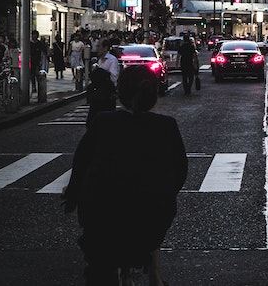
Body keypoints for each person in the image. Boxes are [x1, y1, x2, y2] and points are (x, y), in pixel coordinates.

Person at [62, 65, 188, 285]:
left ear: (120, 92)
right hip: (153, 215)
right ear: (151, 95)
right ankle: (153, 272)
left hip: (103, 215)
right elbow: (180, 170)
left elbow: (81, 163)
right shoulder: (167, 127)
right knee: (150, 226)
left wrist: (73, 195)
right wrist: (164, 192)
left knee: (98, 264)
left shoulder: (103, 122)